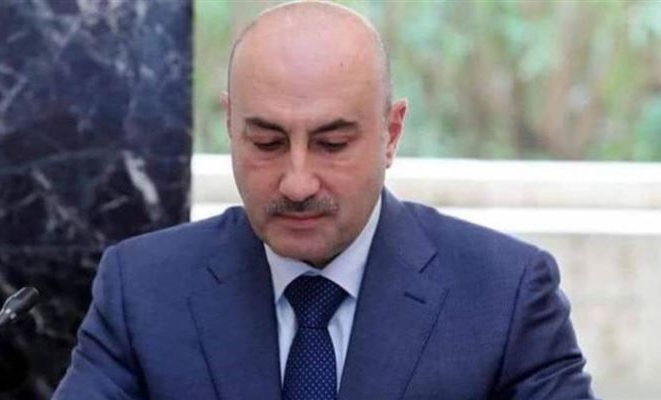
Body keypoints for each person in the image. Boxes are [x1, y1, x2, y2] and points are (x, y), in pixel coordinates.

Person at [54, 1, 595, 399]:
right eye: (267, 143)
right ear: (231, 126)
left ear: (391, 134)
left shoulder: (505, 296)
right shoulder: (143, 289)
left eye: (332, 144)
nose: (297, 183)